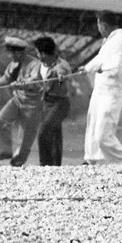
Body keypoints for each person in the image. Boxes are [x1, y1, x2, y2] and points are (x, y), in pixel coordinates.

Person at [81, 10, 122, 165]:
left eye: (98, 24)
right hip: (101, 90)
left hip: (112, 92)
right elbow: (100, 58)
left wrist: (101, 68)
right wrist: (87, 68)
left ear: (102, 25)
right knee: (92, 125)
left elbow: (116, 67)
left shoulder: (120, 41)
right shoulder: (109, 41)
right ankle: (91, 159)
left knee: (102, 133)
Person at [0, 36, 45, 167]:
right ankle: (5, 151)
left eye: (13, 54)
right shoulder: (13, 64)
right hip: (17, 99)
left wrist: (22, 83)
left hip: (32, 104)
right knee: (0, 119)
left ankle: (18, 161)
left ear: (20, 52)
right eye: (10, 53)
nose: (11, 56)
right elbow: (6, 78)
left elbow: (35, 80)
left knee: (27, 135)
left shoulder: (35, 64)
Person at [34, 37, 73, 166]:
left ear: (43, 54)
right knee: (54, 133)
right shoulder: (41, 65)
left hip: (60, 103)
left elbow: (63, 74)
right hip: (46, 103)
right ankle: (55, 166)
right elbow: (33, 79)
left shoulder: (62, 65)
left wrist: (61, 78)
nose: (37, 55)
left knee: (44, 131)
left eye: (38, 52)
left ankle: (44, 164)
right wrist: (21, 83)